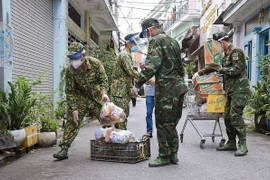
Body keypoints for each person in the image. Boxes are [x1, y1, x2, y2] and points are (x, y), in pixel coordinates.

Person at [135, 18, 187, 167]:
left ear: (150, 30)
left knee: (162, 123)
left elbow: (152, 66)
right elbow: (179, 66)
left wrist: (137, 84)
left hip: (166, 89)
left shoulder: (156, 41)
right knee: (171, 123)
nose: (147, 37)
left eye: (146, 34)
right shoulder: (173, 41)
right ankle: (173, 154)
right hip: (178, 87)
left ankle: (164, 155)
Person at [193, 31, 251, 156]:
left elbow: (237, 69)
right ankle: (231, 142)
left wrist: (222, 69)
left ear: (222, 42)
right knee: (228, 116)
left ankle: (243, 144)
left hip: (239, 90)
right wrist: (199, 73)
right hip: (230, 90)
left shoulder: (236, 52)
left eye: (218, 44)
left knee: (235, 115)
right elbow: (214, 67)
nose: (217, 47)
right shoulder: (225, 55)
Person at [53, 42, 109, 160]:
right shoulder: (70, 71)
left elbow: (103, 80)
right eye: (71, 58)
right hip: (80, 98)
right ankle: (64, 149)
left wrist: (104, 93)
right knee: (72, 122)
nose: (74, 61)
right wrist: (73, 109)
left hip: (96, 97)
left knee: (108, 120)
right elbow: (70, 90)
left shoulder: (95, 63)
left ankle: (113, 145)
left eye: (76, 58)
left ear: (83, 56)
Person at [110, 33, 140, 130]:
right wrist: (145, 76)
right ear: (128, 43)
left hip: (122, 91)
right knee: (121, 117)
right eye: (133, 43)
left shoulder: (125, 55)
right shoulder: (125, 55)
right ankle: (121, 139)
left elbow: (127, 75)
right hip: (120, 92)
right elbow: (131, 72)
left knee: (122, 117)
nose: (135, 45)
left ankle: (120, 138)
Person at [140, 60, 155, 138]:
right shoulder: (147, 60)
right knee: (149, 113)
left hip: (160, 93)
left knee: (161, 114)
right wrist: (143, 68)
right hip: (150, 93)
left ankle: (162, 132)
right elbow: (141, 67)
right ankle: (149, 131)